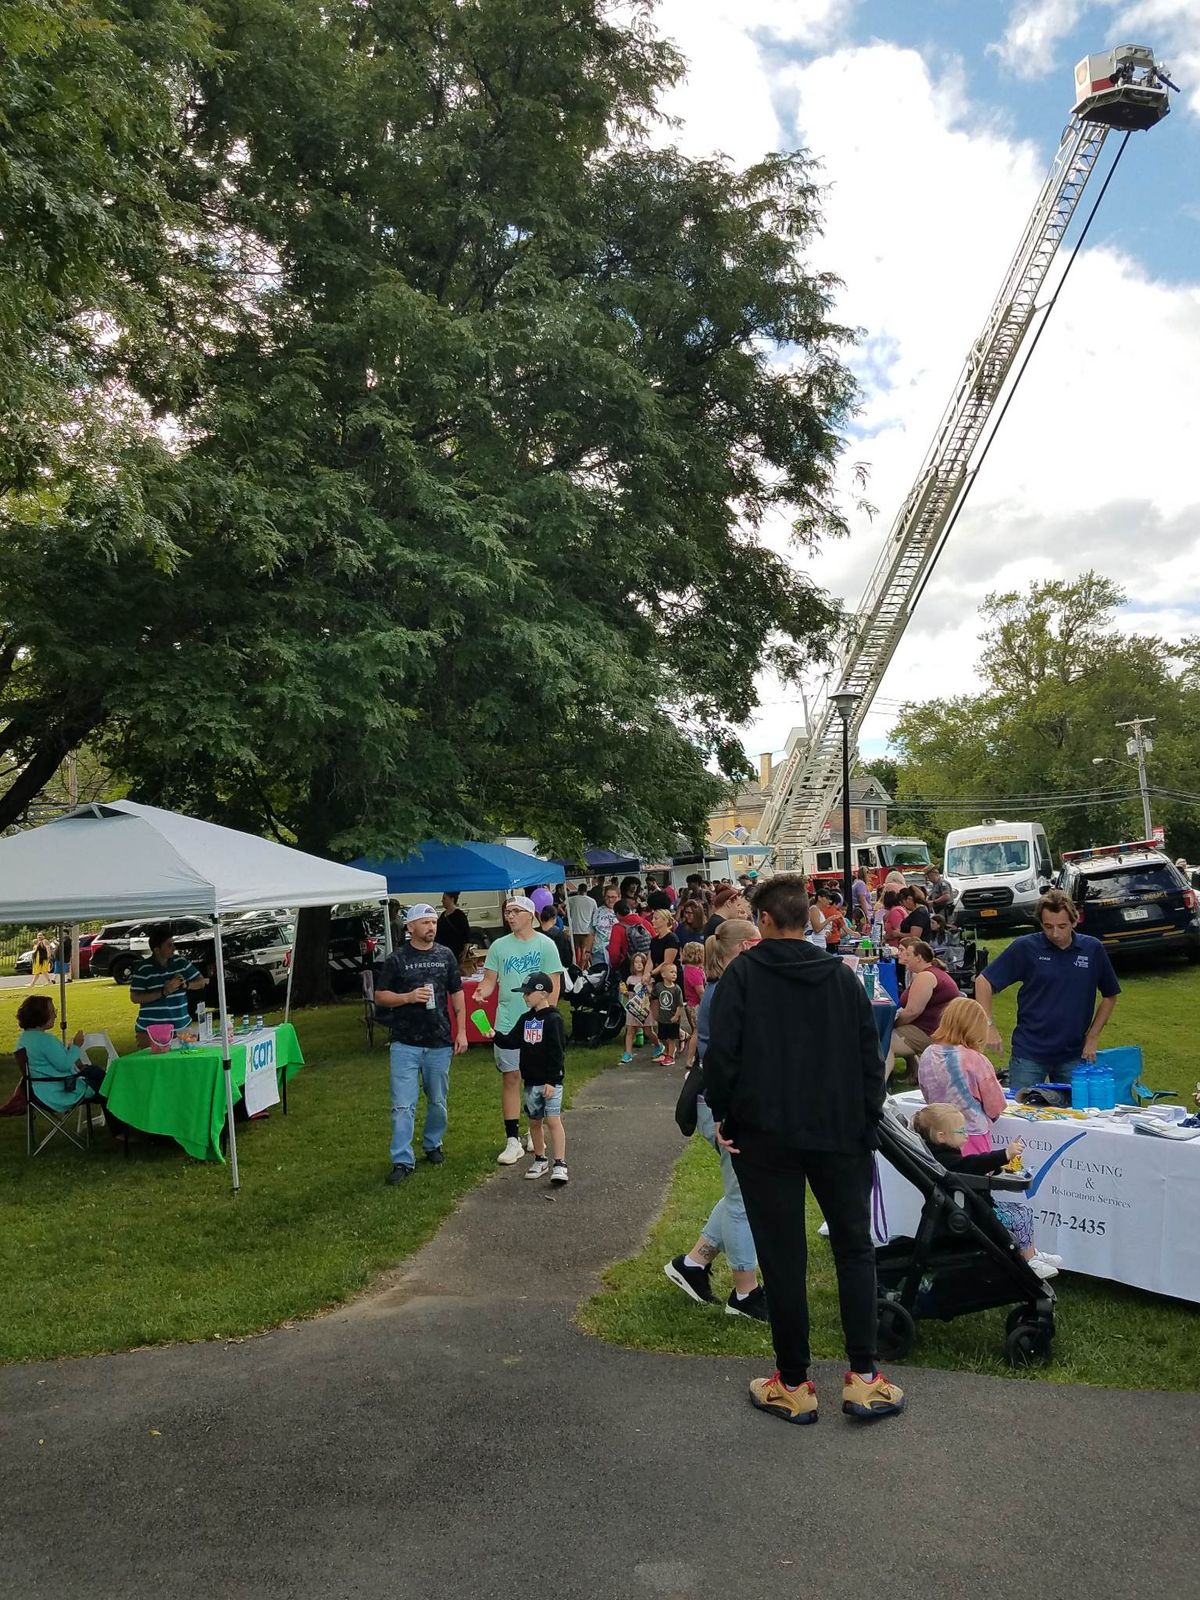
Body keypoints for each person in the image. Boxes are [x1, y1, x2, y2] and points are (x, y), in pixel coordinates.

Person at [704, 875, 904, 1425]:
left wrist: (723, 1114)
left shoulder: (744, 974)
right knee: (853, 1249)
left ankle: (794, 1382)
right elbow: (873, 1056)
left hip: (769, 1135)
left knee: (785, 1255)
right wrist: (868, 1118)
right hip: (839, 1132)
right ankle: (865, 1378)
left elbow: (723, 1056)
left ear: (765, 922)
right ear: (804, 918)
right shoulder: (841, 977)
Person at [664, 918, 768, 1321]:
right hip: (724, 1109)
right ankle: (745, 1293)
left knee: (740, 1193)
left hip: (724, 1107)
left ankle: (693, 1263)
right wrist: (731, 1116)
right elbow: (727, 1062)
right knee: (744, 1199)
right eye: (760, 942)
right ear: (744, 948)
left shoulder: (729, 988)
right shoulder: (726, 993)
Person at [974, 889, 1120, 1093]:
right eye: (1048, 927)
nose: (1055, 934)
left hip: (1074, 1054)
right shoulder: (1026, 947)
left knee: (1076, 1116)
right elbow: (983, 982)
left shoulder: (1091, 949)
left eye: (1062, 926)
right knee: (1023, 1115)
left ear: (1075, 921)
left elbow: (1110, 995)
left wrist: (1093, 1036)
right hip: (1029, 1053)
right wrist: (988, 1025)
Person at [374, 903, 467, 1183]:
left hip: (438, 1041)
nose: (431, 927)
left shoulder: (446, 955)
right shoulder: (397, 959)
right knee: (403, 1104)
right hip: (405, 1042)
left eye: (434, 922)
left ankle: (433, 1144)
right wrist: (408, 997)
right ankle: (402, 1160)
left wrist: (461, 1031)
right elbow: (380, 996)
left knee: (437, 1100)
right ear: (410, 927)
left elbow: (457, 994)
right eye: (425, 922)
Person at [912, 1103, 1060, 1279]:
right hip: (972, 1214)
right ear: (941, 1136)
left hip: (973, 1207)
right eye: (961, 1131)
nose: (966, 1136)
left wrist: (995, 1169)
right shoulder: (945, 1159)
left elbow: (971, 1168)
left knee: (1023, 1211)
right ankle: (1029, 1262)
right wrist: (1004, 1154)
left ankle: (1031, 1253)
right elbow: (972, 1164)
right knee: (1020, 1215)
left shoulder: (942, 1156)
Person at [474, 896, 564, 1164]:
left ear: (530, 915)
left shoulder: (546, 944)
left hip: (536, 1025)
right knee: (511, 1078)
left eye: (514, 911)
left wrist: (549, 1019)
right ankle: (512, 1139)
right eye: (506, 912)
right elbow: (489, 981)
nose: (509, 916)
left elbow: (554, 985)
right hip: (507, 1022)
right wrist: (482, 991)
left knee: (535, 1079)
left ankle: (532, 1130)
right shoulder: (499, 947)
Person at [492, 972, 569, 1184]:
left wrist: (552, 1081)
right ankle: (540, 1159)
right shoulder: (526, 1019)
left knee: (553, 1120)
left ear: (543, 993)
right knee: (534, 1122)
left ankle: (560, 1163)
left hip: (550, 1082)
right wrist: (495, 1035)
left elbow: (557, 1052)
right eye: (523, 993)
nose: (525, 997)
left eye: (528, 993)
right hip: (531, 1081)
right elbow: (512, 1041)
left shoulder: (553, 1019)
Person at [917, 996, 1006, 1155]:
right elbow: (995, 1105)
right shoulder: (974, 1059)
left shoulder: (927, 1054)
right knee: (974, 1176)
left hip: (938, 1133)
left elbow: (926, 1091)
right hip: (970, 1134)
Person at [16, 994, 119, 1126]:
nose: (55, 1015)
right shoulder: (45, 1040)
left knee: (97, 1074)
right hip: (59, 1091)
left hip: (38, 1090)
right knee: (107, 1087)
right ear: (41, 1015)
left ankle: (119, 1129)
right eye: (52, 1012)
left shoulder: (24, 1039)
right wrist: (76, 1045)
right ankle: (120, 1129)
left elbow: (53, 1062)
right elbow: (64, 1065)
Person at [889, 938, 960, 1078]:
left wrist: (892, 1024)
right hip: (934, 1028)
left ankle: (878, 1089)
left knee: (884, 1042)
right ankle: (913, 1074)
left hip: (932, 1032)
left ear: (919, 958)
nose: (903, 957)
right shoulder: (931, 973)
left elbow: (912, 1012)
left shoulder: (926, 977)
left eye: (908, 954)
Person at [129, 925, 207, 1047]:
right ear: (157, 949)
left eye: (173, 944)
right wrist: (163, 992)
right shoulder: (143, 968)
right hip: (150, 1030)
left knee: (185, 1061)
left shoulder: (180, 963)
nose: (174, 948)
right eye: (169, 945)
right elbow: (135, 997)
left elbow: (201, 982)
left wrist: (186, 985)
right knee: (153, 1064)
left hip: (181, 1027)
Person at [620, 951, 656, 1062]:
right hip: (632, 1008)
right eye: (636, 962)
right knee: (630, 1030)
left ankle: (658, 1044)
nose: (639, 964)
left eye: (641, 962)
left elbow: (651, 993)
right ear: (633, 965)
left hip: (644, 1008)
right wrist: (623, 991)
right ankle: (628, 1053)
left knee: (648, 1031)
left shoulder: (649, 979)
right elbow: (629, 994)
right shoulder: (630, 979)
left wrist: (646, 987)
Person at [652, 953, 684, 1067]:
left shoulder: (677, 989)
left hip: (672, 1018)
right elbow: (653, 997)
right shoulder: (659, 986)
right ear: (663, 974)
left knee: (671, 1038)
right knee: (662, 1037)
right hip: (662, 1018)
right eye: (671, 972)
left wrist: (676, 1016)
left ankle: (671, 1056)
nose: (674, 974)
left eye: (675, 972)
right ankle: (666, 1052)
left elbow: (680, 1005)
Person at [680, 940, 706, 1064]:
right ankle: (690, 1058)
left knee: (696, 1030)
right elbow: (700, 992)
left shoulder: (689, 969)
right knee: (697, 1032)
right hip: (696, 1006)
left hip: (690, 1004)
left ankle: (694, 1056)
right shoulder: (694, 973)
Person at [587, 884, 621, 969]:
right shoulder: (597, 912)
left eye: (613, 897)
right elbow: (591, 932)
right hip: (599, 951)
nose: (610, 900)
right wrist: (588, 951)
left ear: (619, 897)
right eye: (607, 897)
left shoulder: (624, 911)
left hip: (619, 952)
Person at [434, 892, 472, 964]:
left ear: (452, 899)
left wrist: (464, 952)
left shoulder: (459, 915)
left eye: (444, 898)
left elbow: (466, 934)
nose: (442, 901)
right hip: (443, 953)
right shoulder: (443, 915)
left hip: (455, 953)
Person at [567, 882, 597, 966]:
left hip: (575, 929)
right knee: (586, 950)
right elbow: (595, 915)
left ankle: (578, 966)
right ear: (586, 890)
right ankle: (586, 967)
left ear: (578, 890)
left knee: (576, 949)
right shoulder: (592, 901)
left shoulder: (571, 899)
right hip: (587, 930)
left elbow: (565, 910)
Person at [538, 903, 574, 972]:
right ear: (553, 918)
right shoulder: (560, 935)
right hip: (555, 970)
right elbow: (567, 959)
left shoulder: (534, 933)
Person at [851, 867, 875, 932]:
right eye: (868, 872)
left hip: (859, 911)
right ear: (864, 874)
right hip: (861, 913)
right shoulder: (861, 884)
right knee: (864, 931)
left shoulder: (857, 882)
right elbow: (862, 900)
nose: (869, 875)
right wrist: (866, 915)